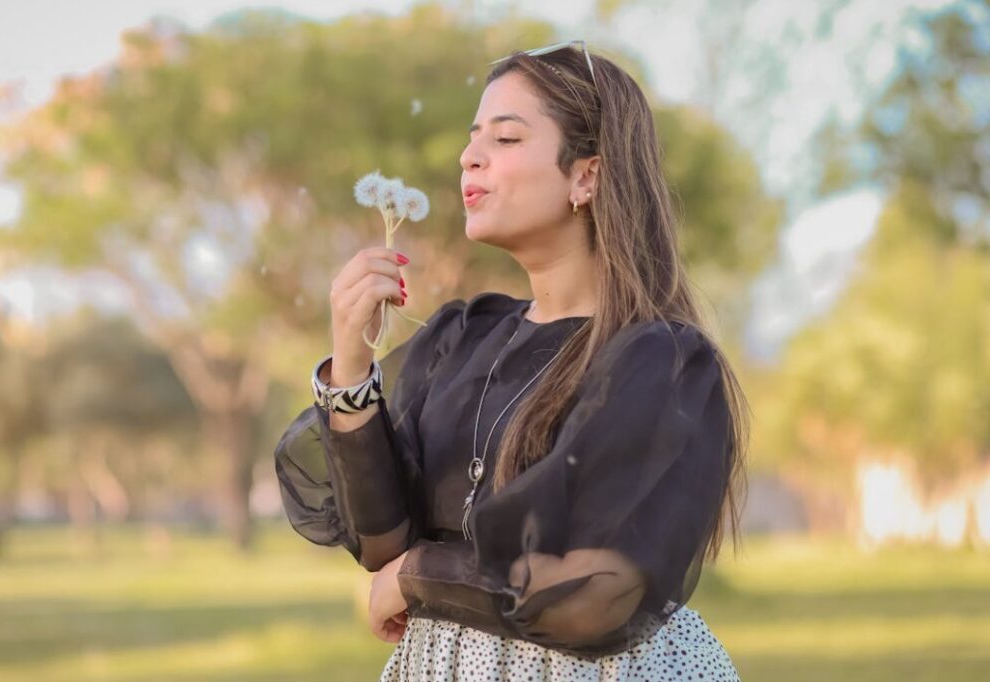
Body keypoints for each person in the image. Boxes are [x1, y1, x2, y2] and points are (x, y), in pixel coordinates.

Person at [275, 41, 749, 681]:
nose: (469, 157)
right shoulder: (461, 338)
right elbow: (383, 541)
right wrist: (352, 366)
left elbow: (593, 597)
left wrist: (418, 577)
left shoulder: (659, 363)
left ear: (587, 175)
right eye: (473, 140)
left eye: (505, 138)